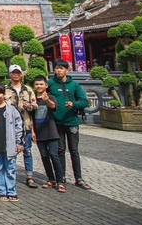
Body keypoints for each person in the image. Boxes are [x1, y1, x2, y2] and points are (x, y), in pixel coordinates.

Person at [47, 59, 91, 190]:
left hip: (71, 121)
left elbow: (85, 102)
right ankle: (62, 177)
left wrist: (74, 104)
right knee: (60, 150)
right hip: (57, 122)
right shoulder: (50, 84)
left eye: (61, 68)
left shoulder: (74, 85)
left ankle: (79, 178)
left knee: (74, 150)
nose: (59, 70)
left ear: (67, 70)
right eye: (57, 68)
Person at [0, 84, 24, 202]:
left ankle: (11, 190)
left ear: (4, 94)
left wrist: (19, 143)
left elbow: (19, 125)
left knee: (10, 168)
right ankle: (0, 191)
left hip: (10, 143)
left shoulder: (11, 108)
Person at [5, 64, 38, 189]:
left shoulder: (28, 90)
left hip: (26, 124)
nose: (16, 75)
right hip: (10, 126)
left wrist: (28, 106)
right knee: (10, 151)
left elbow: (35, 106)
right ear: (9, 74)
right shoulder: (5, 89)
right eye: (13, 72)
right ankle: (9, 175)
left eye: (18, 72)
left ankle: (29, 176)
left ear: (21, 74)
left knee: (27, 151)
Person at [32, 75, 65, 193]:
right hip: (39, 132)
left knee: (54, 155)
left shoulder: (51, 97)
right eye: (37, 84)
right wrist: (33, 132)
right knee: (44, 156)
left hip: (51, 132)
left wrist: (47, 100)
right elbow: (31, 118)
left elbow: (53, 106)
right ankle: (51, 179)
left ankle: (60, 180)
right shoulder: (33, 99)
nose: (39, 86)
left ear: (46, 85)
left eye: (41, 84)